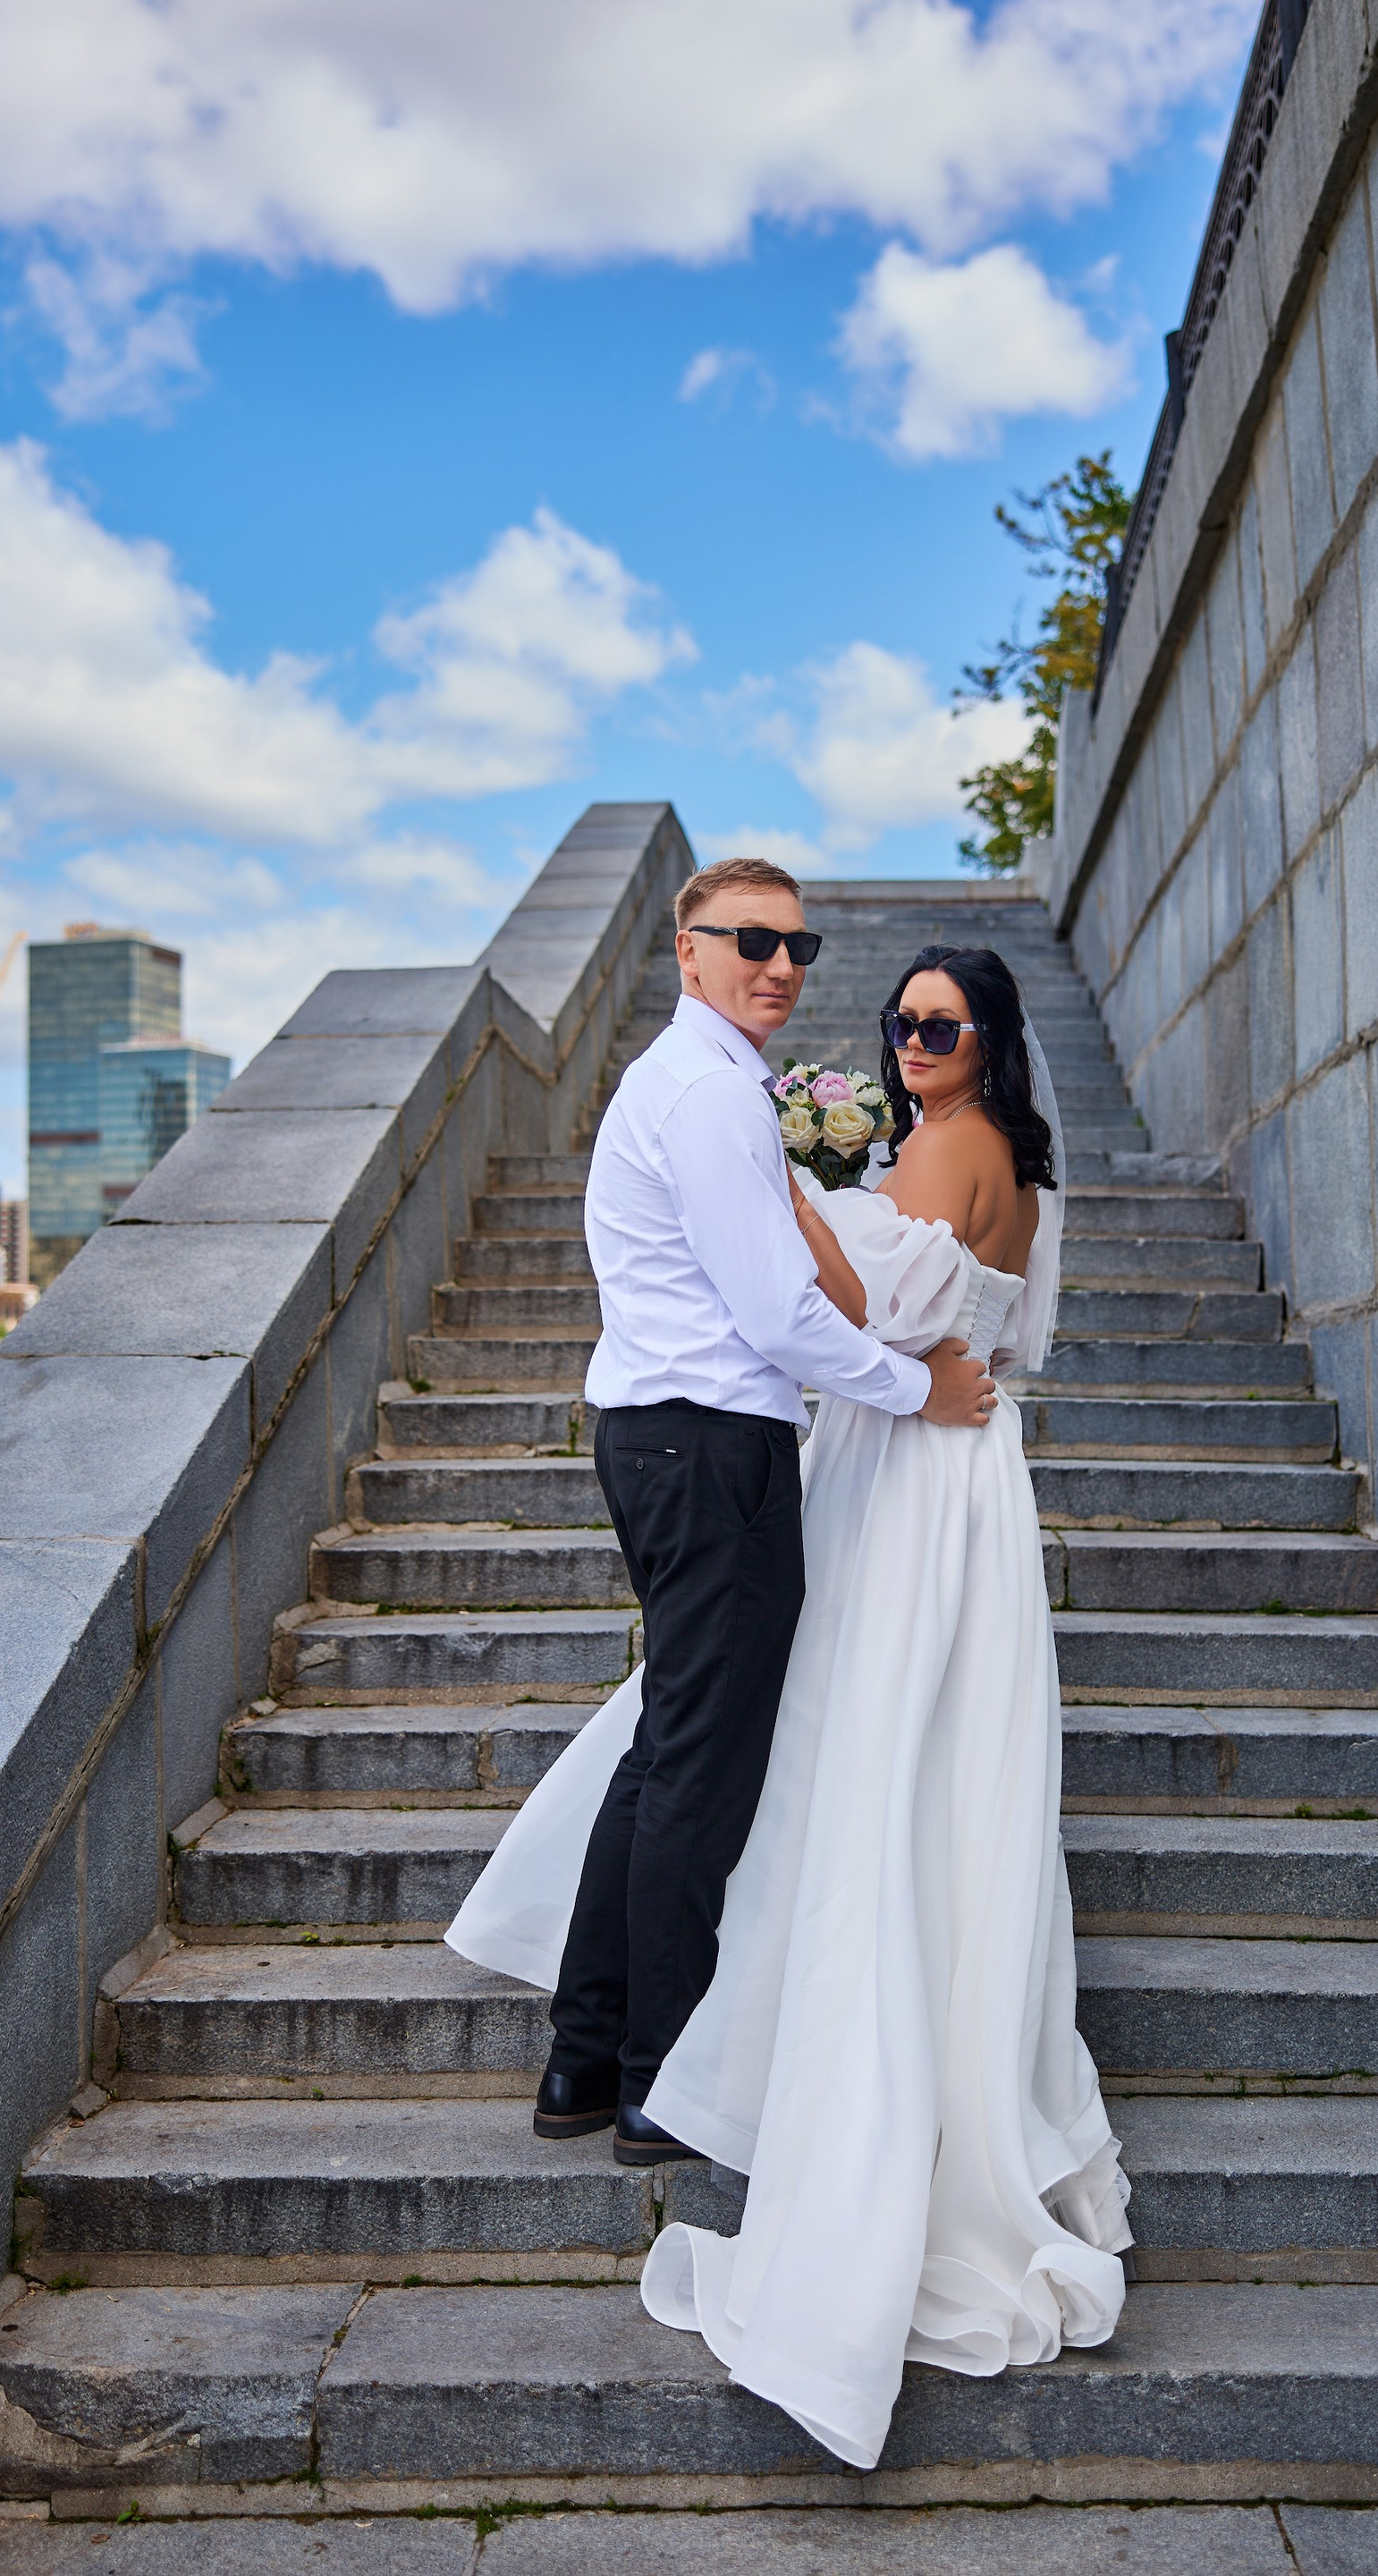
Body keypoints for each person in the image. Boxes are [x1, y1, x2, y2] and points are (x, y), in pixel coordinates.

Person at [449, 936, 1130, 2471]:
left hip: (914, 1466)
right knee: (873, 1743)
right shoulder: (986, 1151)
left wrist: (787, 1181)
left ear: (991, 1036)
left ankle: (666, 2043)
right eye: (903, 1022)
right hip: (950, 1462)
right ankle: (637, 2029)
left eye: (944, 1024)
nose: (916, 1042)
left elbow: (852, 1299)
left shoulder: (950, 1149)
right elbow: (942, 1318)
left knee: (842, 1740)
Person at [465, 856, 995, 2171]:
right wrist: (915, 1389)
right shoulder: (706, 1094)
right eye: (752, 941)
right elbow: (775, 1312)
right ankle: (659, 2080)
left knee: (666, 1750)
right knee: (700, 1769)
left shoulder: (700, 1083)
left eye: (799, 947)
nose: (780, 966)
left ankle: (588, 2057)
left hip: (673, 1443)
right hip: (707, 1450)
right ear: (687, 949)